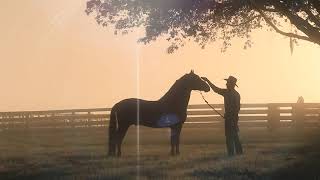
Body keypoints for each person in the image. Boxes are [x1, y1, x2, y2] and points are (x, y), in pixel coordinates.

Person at [201, 76, 243, 156]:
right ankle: (238, 152)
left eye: (228, 82)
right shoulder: (228, 92)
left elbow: (237, 108)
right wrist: (207, 81)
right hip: (230, 117)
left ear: (231, 84)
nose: (226, 84)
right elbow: (215, 89)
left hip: (232, 117)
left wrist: (231, 117)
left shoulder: (234, 94)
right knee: (234, 135)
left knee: (230, 136)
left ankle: (231, 153)